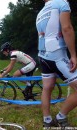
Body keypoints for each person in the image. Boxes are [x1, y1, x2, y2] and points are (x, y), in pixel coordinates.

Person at [36, 0, 77, 128]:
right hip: (57, 54)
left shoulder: (41, 12)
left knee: (47, 88)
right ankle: (61, 116)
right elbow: (67, 28)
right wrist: (73, 55)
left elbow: (42, 34)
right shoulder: (62, 3)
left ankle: (47, 120)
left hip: (42, 55)